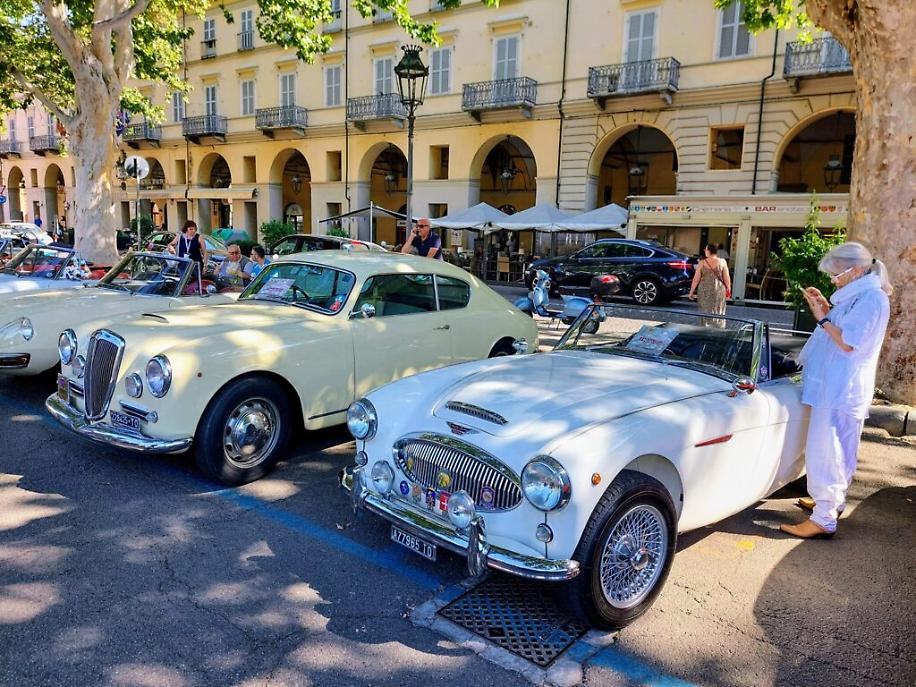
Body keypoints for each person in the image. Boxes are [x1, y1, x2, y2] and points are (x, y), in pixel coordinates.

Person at [780, 242, 892, 539]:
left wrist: (823, 318)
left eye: (836, 274)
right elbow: (843, 329)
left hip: (840, 387)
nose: (833, 280)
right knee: (838, 447)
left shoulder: (871, 298)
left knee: (827, 450)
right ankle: (830, 504)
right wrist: (826, 310)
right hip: (838, 386)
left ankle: (824, 516)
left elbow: (848, 342)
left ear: (855, 270)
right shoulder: (859, 296)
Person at [687, 243, 731, 321]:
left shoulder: (702, 263)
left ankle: (705, 325)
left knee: (704, 310)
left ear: (709, 251)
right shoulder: (722, 262)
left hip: (704, 290)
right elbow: (726, 278)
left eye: (705, 250)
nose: (705, 251)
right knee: (718, 310)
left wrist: (691, 291)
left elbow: (696, 279)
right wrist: (728, 290)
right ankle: (718, 325)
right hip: (719, 289)